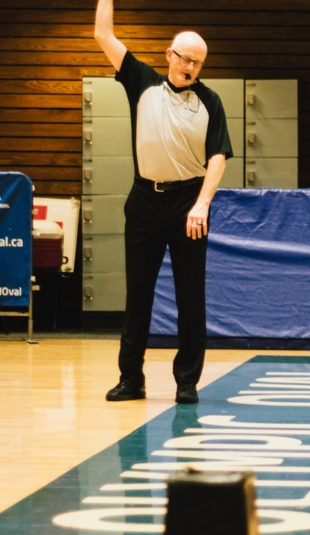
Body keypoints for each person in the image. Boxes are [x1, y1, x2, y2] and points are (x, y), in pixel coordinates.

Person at [94, 0, 232, 404]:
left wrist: (203, 203)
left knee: (191, 297)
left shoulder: (211, 102)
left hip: (189, 204)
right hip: (143, 202)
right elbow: (103, 35)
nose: (190, 67)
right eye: (185, 58)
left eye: (198, 63)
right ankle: (130, 379)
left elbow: (218, 157)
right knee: (138, 293)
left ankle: (187, 381)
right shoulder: (142, 83)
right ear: (169, 55)